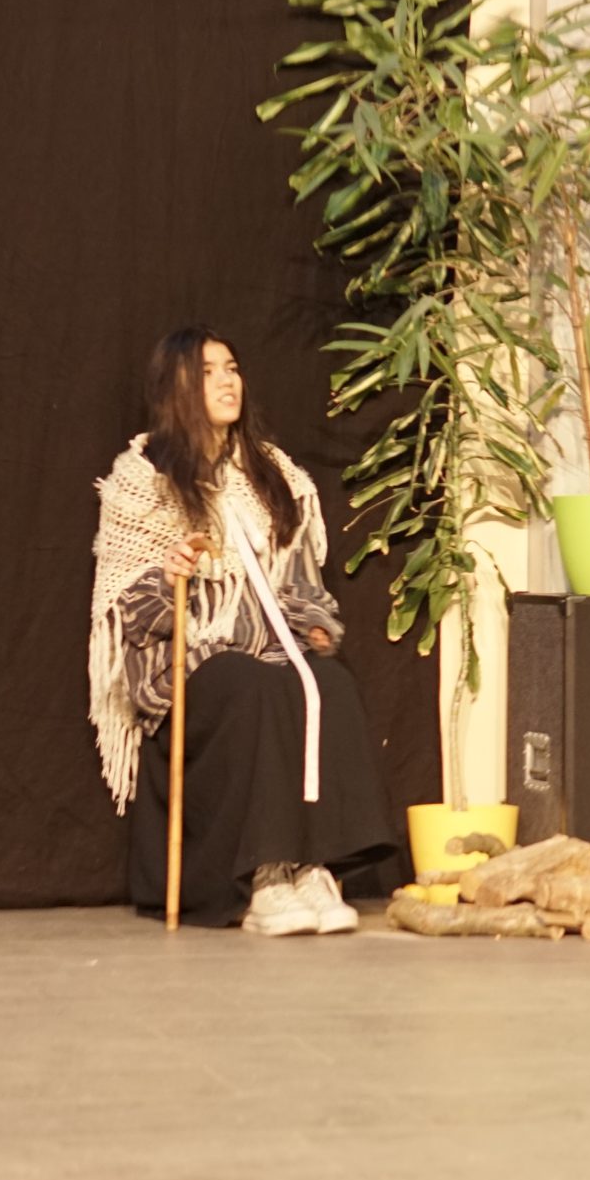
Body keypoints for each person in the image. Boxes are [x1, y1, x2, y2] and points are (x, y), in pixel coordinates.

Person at [89, 328, 398, 934]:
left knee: (330, 684)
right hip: (189, 664)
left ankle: (312, 865)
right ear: (177, 386)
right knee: (247, 683)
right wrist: (170, 577)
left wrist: (313, 627)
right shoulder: (144, 476)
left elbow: (301, 580)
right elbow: (126, 604)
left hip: (270, 652)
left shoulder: (272, 473)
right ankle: (262, 875)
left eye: (232, 368)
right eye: (208, 372)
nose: (228, 381)